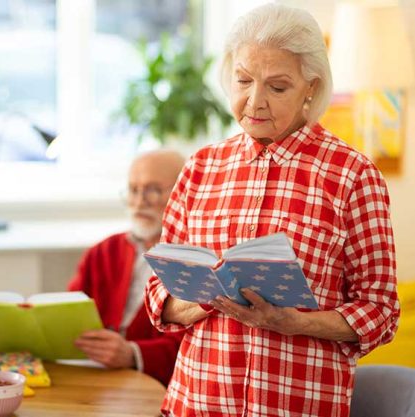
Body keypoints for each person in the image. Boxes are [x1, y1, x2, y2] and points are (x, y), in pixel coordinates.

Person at [144, 4, 400, 416]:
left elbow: (381, 312)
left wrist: (291, 322)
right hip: (195, 404)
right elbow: (159, 295)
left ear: (310, 88)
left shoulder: (353, 176)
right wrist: (210, 299)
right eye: (243, 80)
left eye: (277, 87)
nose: (254, 102)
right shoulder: (201, 168)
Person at [69, 149, 186, 386]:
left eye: (153, 190)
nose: (140, 201)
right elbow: (69, 313)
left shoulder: (194, 261)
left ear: (183, 195)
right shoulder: (102, 251)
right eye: (134, 190)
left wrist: (133, 354)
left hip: (155, 387)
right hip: (93, 377)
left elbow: (198, 345)